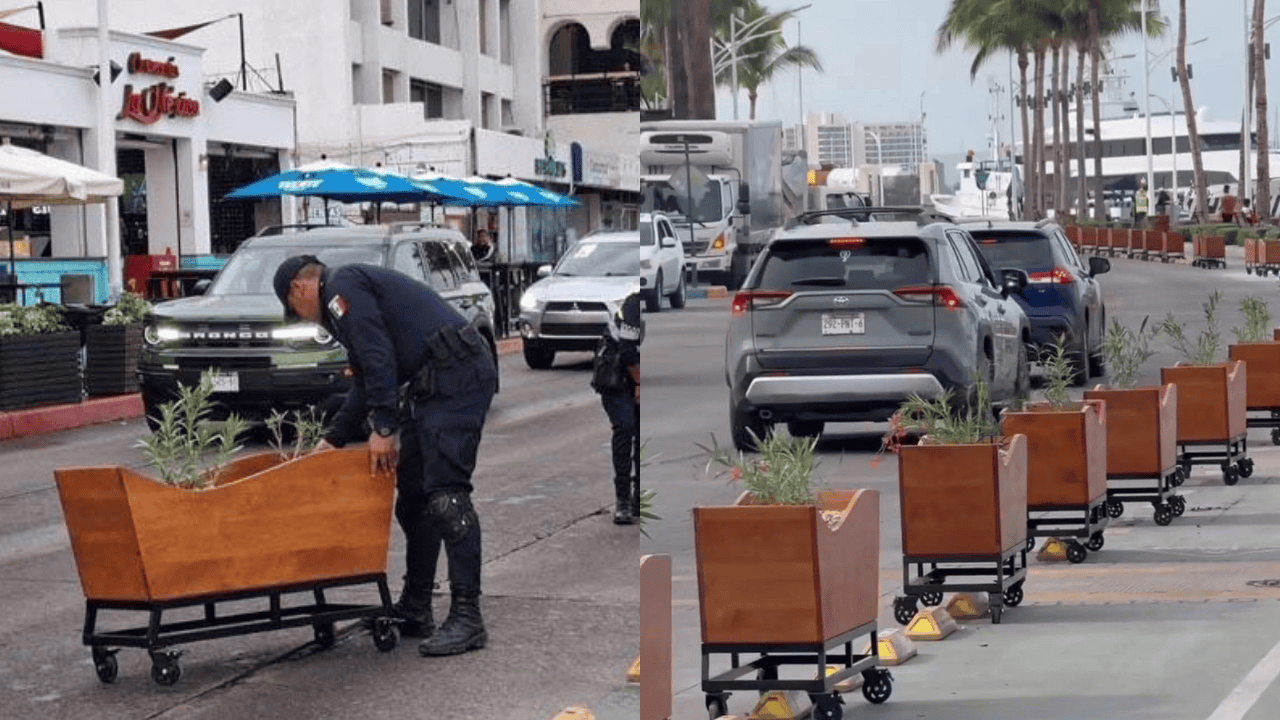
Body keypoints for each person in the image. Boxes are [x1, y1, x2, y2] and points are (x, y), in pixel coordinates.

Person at [273, 254, 498, 657]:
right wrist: (334, 440)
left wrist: (383, 429)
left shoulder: (342, 289)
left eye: (295, 311)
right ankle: (416, 606)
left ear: (299, 288)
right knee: (413, 501)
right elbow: (365, 378)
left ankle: (468, 617)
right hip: (432, 384)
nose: (305, 319)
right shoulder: (346, 297)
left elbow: (380, 360)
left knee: (447, 497)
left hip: (457, 376)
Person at [590, 287, 642, 523]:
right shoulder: (634, 305)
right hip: (616, 374)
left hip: (636, 372)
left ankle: (639, 498)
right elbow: (628, 352)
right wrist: (639, 384)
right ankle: (622, 500)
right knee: (625, 428)